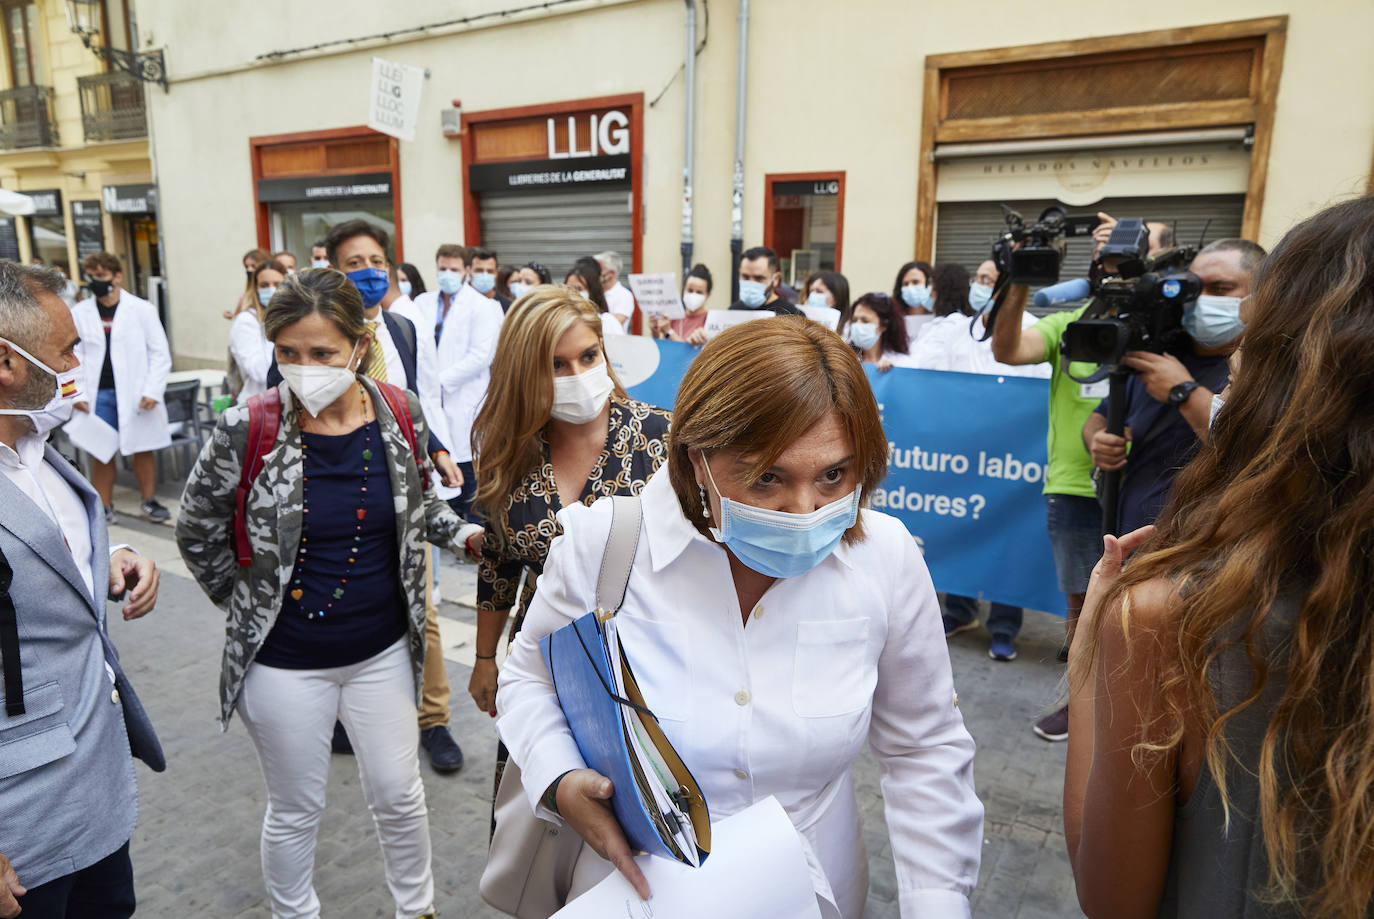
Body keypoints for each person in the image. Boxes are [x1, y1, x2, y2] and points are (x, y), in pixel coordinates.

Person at [496, 315, 983, 917]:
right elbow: (529, 678)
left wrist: (937, 903)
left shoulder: (886, 559)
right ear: (697, 456)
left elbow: (924, 747)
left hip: (815, 889)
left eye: (835, 475)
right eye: (766, 478)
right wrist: (560, 776)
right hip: (635, 888)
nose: (804, 510)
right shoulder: (604, 546)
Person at [1063, 195, 1374, 919]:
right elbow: (1100, 418)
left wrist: (1095, 649)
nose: (1232, 366)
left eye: (1250, 344)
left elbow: (1111, 898)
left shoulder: (1173, 621)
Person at [176, 269, 472, 919]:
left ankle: (416, 908)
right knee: (296, 809)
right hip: (283, 663)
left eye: (322, 353)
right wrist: (247, 603)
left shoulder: (397, 412)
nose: (303, 367)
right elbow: (194, 528)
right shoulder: (246, 427)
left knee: (400, 795)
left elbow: (422, 509)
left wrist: (469, 537)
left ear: (359, 346)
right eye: (288, 353)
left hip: (383, 653)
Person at [465, 289, 671, 823]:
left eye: (588, 356)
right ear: (524, 372)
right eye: (556, 365)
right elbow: (499, 561)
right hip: (546, 661)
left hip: (651, 654)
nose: (578, 374)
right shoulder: (510, 451)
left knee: (644, 813)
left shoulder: (664, 439)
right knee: (548, 820)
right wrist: (486, 658)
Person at [988, 213, 1193, 742]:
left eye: (1130, 261)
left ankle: (1147, 706)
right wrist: (1019, 282)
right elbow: (1008, 351)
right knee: (1084, 604)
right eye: (1107, 263)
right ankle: (1082, 701)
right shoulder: (1071, 320)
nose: (1116, 271)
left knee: (1159, 608)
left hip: (1158, 493)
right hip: (1076, 491)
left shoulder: (1179, 330)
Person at [0, 260, 164, 919]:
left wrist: (115, 554)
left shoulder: (36, 441)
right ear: (6, 362)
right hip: (23, 830)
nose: (77, 363)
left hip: (94, 794)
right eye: (65, 348)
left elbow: (46, 540)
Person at [1083, 237, 1264, 536]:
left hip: (1201, 555)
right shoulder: (1156, 355)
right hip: (1128, 542)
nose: (1202, 299)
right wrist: (1097, 440)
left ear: (1261, 294)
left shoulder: (1264, 371)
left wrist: (1182, 390)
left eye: (1220, 289)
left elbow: (1246, 449)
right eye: (1194, 287)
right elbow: (1098, 417)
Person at [71, 251, 173, 524]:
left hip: (136, 393)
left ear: (117, 276)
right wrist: (76, 392)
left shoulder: (142, 310)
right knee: (101, 449)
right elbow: (72, 356)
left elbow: (160, 354)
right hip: (97, 393)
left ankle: (148, 501)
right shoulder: (79, 313)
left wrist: (153, 390)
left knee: (143, 447)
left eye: (101, 276)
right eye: (92, 277)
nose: (96, 281)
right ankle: (103, 505)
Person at [227, 259, 285, 402]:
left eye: (277, 284)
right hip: (258, 406)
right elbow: (259, 372)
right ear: (255, 288)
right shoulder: (246, 321)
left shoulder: (291, 318)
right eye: (264, 285)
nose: (271, 290)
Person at [848, 291, 912, 372]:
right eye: (854, 320)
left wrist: (894, 372)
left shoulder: (902, 363)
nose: (857, 325)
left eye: (865, 321)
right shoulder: (845, 361)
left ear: (883, 325)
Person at [650, 263, 712, 344]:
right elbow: (664, 347)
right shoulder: (674, 316)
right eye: (690, 290)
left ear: (708, 295)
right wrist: (655, 332)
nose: (693, 294)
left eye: (699, 292)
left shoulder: (709, 321)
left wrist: (669, 332)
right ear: (683, 290)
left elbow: (692, 352)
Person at [729, 245, 801, 315]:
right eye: (745, 276)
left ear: (776, 279)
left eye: (759, 278)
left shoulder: (792, 315)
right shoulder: (732, 312)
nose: (751, 283)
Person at [564, 262, 623, 338]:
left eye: (579, 288)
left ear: (592, 291)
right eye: (568, 288)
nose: (573, 293)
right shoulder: (561, 322)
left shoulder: (606, 322)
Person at [892, 259, 936, 342]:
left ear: (930, 285)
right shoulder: (894, 318)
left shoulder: (939, 318)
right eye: (905, 284)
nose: (910, 287)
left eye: (915, 282)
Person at [225, 247, 272, 320]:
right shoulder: (246, 296)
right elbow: (238, 317)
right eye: (247, 266)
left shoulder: (275, 290)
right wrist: (231, 315)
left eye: (253, 266)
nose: (249, 270)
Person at [594, 250, 635, 330]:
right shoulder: (594, 292)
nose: (595, 273)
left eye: (599, 269)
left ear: (611, 273)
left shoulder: (624, 295)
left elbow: (616, 322)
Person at [469, 247, 511, 313]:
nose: (485, 275)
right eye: (479, 270)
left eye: (490, 271)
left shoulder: (507, 306)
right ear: (469, 272)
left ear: (496, 273)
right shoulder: (458, 303)